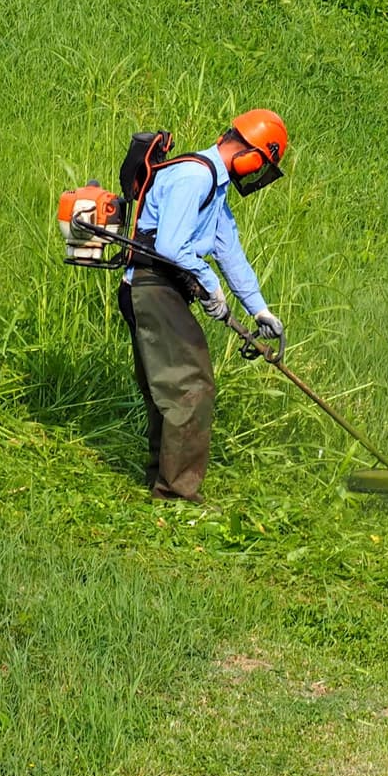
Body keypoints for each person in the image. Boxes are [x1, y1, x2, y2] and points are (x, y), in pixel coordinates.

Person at [116, 108, 288, 503]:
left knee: (171, 387)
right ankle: (175, 495)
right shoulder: (195, 177)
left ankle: (163, 478)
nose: (256, 174)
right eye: (262, 164)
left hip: (166, 288)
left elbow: (231, 253)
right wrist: (212, 289)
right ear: (251, 154)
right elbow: (170, 247)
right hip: (150, 286)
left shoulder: (216, 186)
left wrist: (259, 310)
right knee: (190, 387)